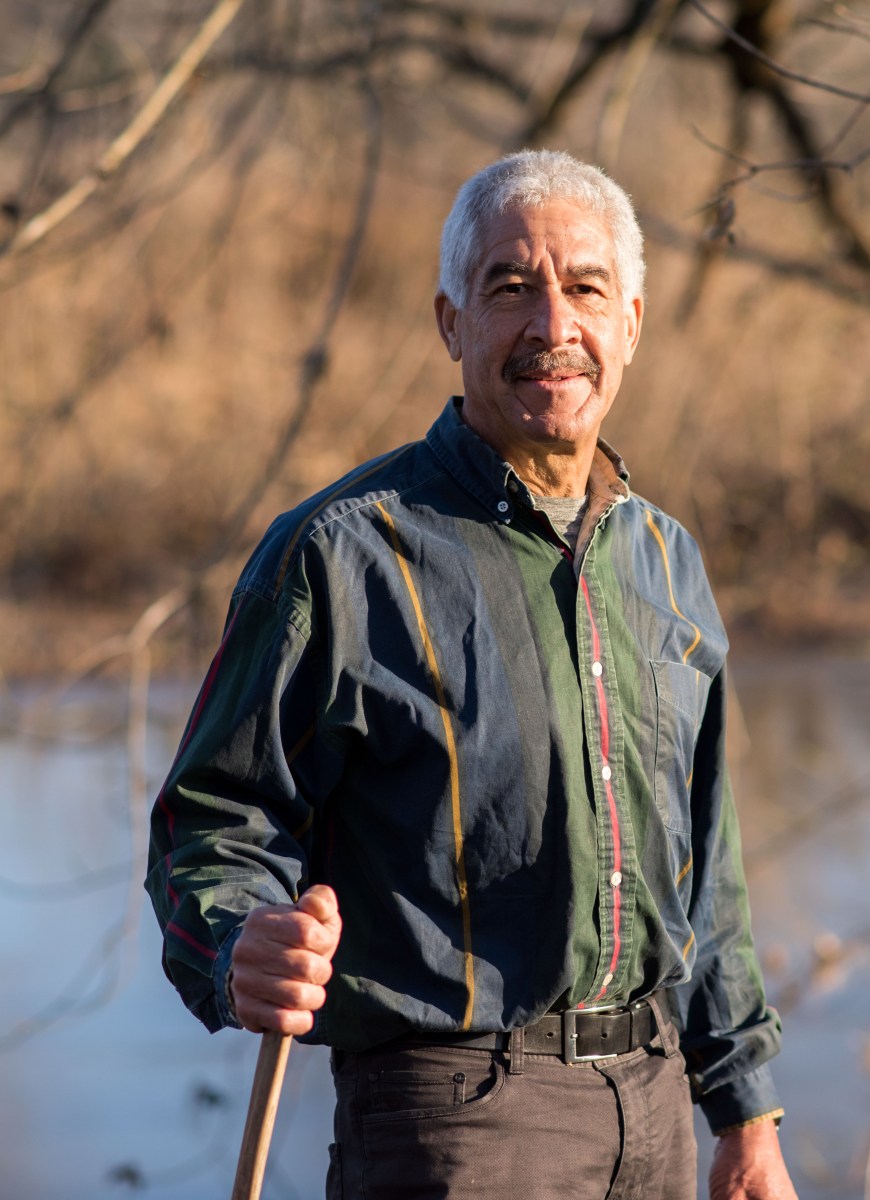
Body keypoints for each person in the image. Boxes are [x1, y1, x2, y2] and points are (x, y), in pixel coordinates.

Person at [146, 149, 798, 1200]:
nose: (552, 327)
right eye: (510, 289)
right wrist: (238, 943)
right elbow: (213, 820)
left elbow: (705, 859)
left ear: (631, 319)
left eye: (585, 289)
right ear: (451, 324)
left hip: (658, 1104)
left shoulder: (665, 561)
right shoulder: (339, 554)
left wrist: (747, 1112)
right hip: (456, 1123)